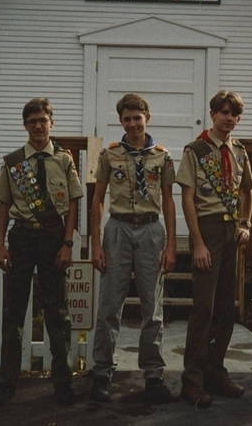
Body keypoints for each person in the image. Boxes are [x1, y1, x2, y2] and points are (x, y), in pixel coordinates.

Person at [0, 98, 83, 407]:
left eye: (43, 120)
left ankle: (62, 382)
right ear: (25, 125)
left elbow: (72, 203)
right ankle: (6, 383)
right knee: (14, 312)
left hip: (53, 241)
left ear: (51, 123)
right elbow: (4, 205)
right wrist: (0, 243)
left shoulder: (64, 160)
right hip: (22, 239)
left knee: (57, 313)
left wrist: (67, 243)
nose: (38, 126)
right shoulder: (14, 162)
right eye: (32, 121)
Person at [89, 93, 177, 404]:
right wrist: (96, 243)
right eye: (126, 119)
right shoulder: (110, 155)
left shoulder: (162, 157)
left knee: (152, 307)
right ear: (121, 121)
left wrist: (170, 245)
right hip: (119, 229)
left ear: (147, 118)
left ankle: (153, 375)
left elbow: (168, 200)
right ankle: (102, 372)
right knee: (110, 303)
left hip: (151, 230)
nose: (132, 124)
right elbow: (98, 199)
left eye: (137, 118)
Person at [176, 90, 252, 409]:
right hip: (206, 229)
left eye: (234, 114)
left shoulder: (239, 150)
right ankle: (192, 380)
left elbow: (248, 190)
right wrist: (197, 243)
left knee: (225, 306)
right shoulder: (196, 150)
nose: (228, 118)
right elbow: (188, 198)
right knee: (203, 307)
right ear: (212, 114)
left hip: (230, 229)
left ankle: (214, 371)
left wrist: (246, 223)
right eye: (223, 112)